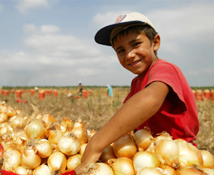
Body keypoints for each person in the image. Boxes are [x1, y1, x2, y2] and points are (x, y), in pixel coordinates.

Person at [75, 12, 199, 174]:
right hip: (146, 157)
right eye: (120, 50)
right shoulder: (137, 82)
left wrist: (96, 143)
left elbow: (150, 99)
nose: (129, 54)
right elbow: (129, 121)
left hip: (177, 158)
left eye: (135, 44)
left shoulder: (164, 68)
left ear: (155, 43)